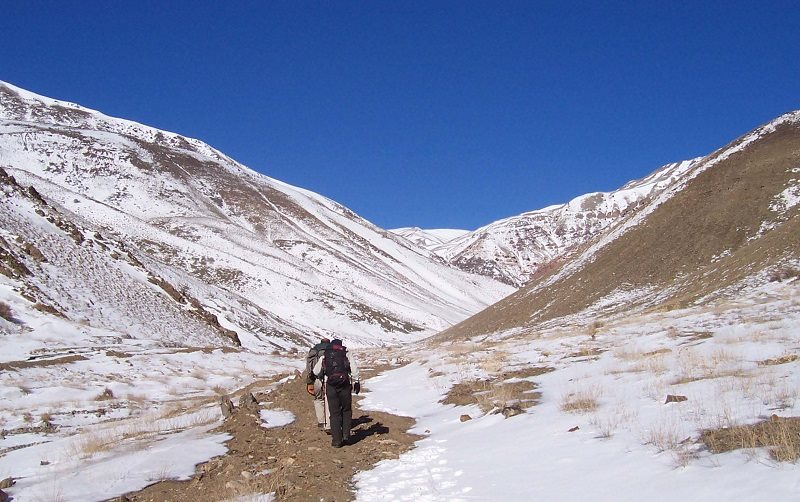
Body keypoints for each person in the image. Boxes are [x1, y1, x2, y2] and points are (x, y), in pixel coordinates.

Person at [313, 338, 360, 448]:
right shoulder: (346, 353)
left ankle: (337, 440)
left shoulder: (325, 354)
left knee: (334, 413)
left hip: (331, 385)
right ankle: (346, 436)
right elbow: (354, 368)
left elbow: (316, 371)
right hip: (344, 384)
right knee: (346, 410)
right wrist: (356, 381)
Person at [306, 337, 331, 430]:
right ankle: (328, 423)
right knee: (328, 400)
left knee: (318, 399)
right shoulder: (331, 350)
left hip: (316, 378)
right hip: (328, 379)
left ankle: (321, 421)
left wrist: (309, 381)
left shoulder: (313, 350)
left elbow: (309, 366)